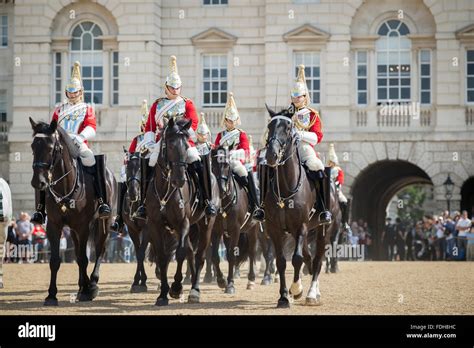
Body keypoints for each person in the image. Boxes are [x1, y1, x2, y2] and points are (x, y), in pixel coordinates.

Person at [31, 61, 111, 225]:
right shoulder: (59, 109)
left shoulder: (87, 108)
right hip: (60, 144)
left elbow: (92, 126)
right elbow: (52, 127)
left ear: (81, 92)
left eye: (75, 92)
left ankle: (102, 201)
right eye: (70, 92)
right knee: (44, 165)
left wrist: (80, 137)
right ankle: (40, 209)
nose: (72, 95)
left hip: (78, 141)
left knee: (91, 159)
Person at [138, 55, 217, 219]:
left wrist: (185, 134)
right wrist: (150, 141)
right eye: (172, 88)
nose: (175, 90)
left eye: (178, 88)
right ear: (166, 87)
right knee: (148, 161)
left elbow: (193, 122)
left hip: (182, 140)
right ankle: (143, 203)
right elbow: (150, 125)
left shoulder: (187, 103)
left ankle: (206, 199)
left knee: (197, 161)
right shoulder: (157, 104)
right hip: (163, 141)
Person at [214, 93, 261, 217]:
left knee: (246, 175)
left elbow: (245, 151)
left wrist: (230, 154)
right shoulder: (220, 135)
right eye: (229, 120)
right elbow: (216, 148)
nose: (232, 123)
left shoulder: (241, 134)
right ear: (225, 120)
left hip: (235, 163)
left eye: (234, 120)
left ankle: (255, 205)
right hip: (222, 162)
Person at [112, 100, 149, 231]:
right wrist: (125, 163)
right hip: (138, 170)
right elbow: (130, 154)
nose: (146, 128)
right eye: (144, 125)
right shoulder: (137, 139)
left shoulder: (157, 138)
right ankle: (119, 218)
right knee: (123, 182)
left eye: (148, 125)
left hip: (150, 170)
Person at [327, 143, 350, 231]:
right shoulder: (327, 169)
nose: (330, 163)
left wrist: (336, 184)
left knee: (344, 201)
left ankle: (345, 221)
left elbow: (340, 179)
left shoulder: (338, 170)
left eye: (331, 162)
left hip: (335, 188)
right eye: (329, 162)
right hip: (327, 187)